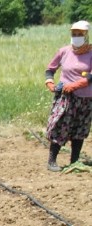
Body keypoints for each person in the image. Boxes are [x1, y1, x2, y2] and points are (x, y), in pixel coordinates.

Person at [44, 20, 92, 172]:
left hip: (85, 98)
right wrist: (50, 83)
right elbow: (50, 69)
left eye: (80, 34)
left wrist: (77, 84)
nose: (76, 36)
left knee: (80, 128)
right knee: (60, 126)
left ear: (86, 35)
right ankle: (52, 161)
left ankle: (74, 160)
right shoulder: (64, 51)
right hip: (66, 97)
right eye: (74, 34)